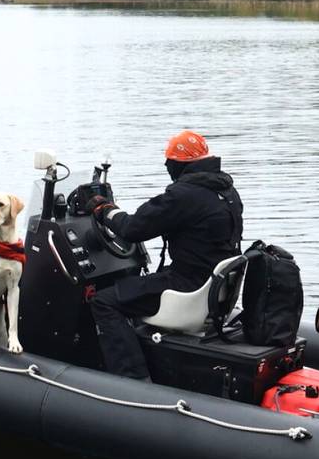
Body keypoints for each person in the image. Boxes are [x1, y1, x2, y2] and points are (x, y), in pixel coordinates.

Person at [85, 130, 244, 379]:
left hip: (187, 286)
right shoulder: (227, 190)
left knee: (104, 301)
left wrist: (103, 209)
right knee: (131, 288)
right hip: (213, 286)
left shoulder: (184, 195)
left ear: (178, 164)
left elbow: (132, 228)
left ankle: (133, 378)